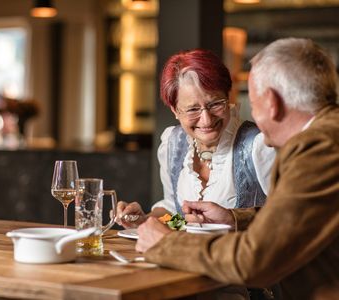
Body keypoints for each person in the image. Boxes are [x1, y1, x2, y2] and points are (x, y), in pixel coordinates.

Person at [136, 38, 339, 299]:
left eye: (252, 104)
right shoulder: (328, 134)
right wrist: (235, 218)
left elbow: (256, 261)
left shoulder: (318, 147)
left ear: (271, 102)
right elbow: (304, 217)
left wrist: (166, 243)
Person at [116, 49, 275, 228]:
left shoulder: (259, 144)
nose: (206, 120)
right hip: (187, 255)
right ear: (175, 111)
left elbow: (289, 215)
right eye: (193, 109)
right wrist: (147, 221)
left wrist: (235, 218)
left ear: (227, 97)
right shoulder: (172, 143)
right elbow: (176, 216)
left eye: (215, 104)